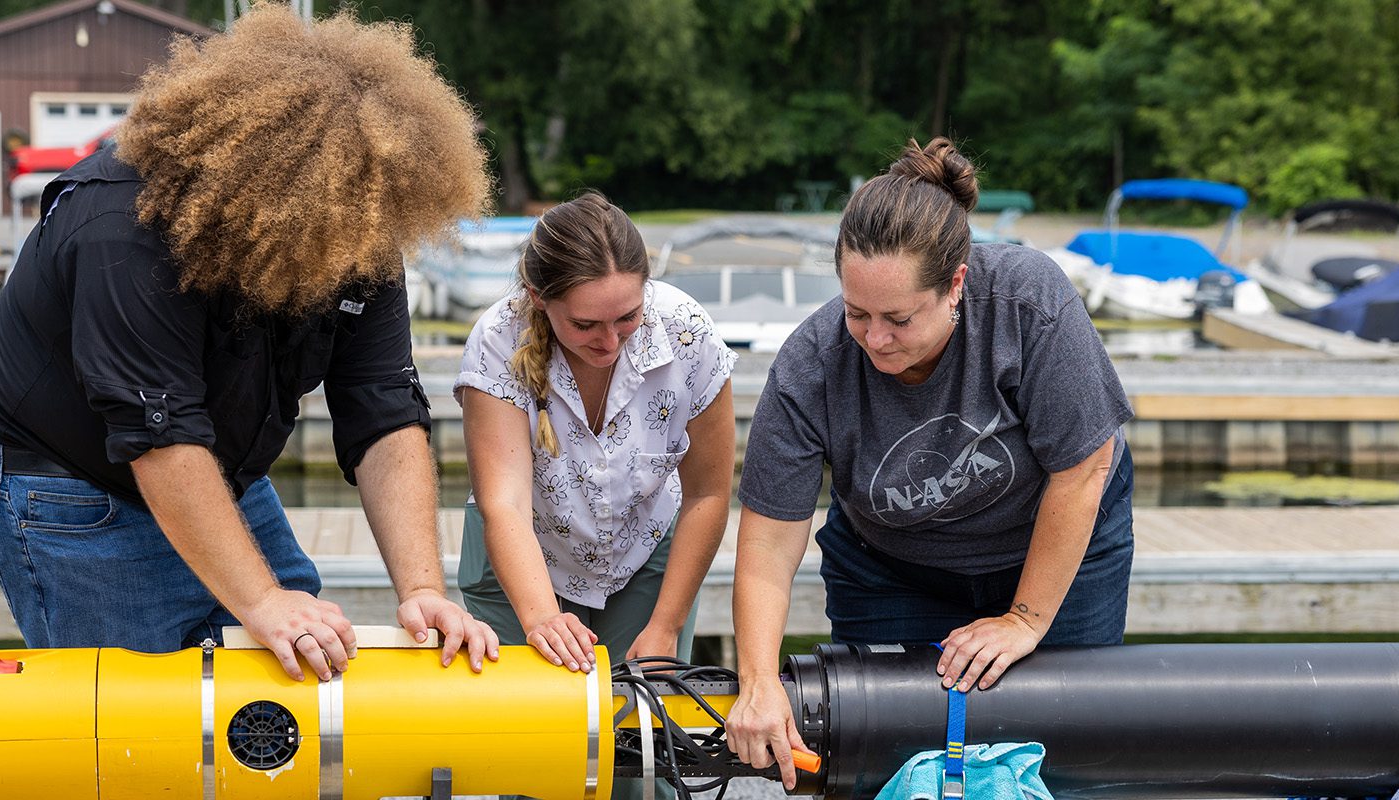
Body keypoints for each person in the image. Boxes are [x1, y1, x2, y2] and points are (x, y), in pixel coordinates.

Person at [0, 6, 497, 682]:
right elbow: (159, 432)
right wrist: (261, 600)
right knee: (133, 724)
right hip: (67, 478)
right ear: (275, 200)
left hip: (212, 459)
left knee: (294, 679)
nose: (360, 253)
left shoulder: (358, 221)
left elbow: (382, 406)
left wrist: (423, 592)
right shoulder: (126, 229)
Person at [725, 137, 1138, 787]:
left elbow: (1083, 467)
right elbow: (770, 542)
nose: (876, 339)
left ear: (956, 286)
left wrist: (1024, 621)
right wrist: (757, 681)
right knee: (878, 760)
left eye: (898, 318)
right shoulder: (811, 366)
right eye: (857, 313)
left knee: (1066, 757)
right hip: (892, 566)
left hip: (1060, 536)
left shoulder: (1029, 303)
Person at [453, 192, 735, 674]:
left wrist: (667, 624)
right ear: (539, 298)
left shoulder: (688, 332)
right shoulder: (498, 341)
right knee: (528, 730)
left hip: (643, 549)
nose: (608, 342)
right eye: (585, 324)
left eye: (627, 317)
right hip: (522, 549)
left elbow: (707, 494)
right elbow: (505, 504)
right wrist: (542, 617)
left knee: (639, 726)